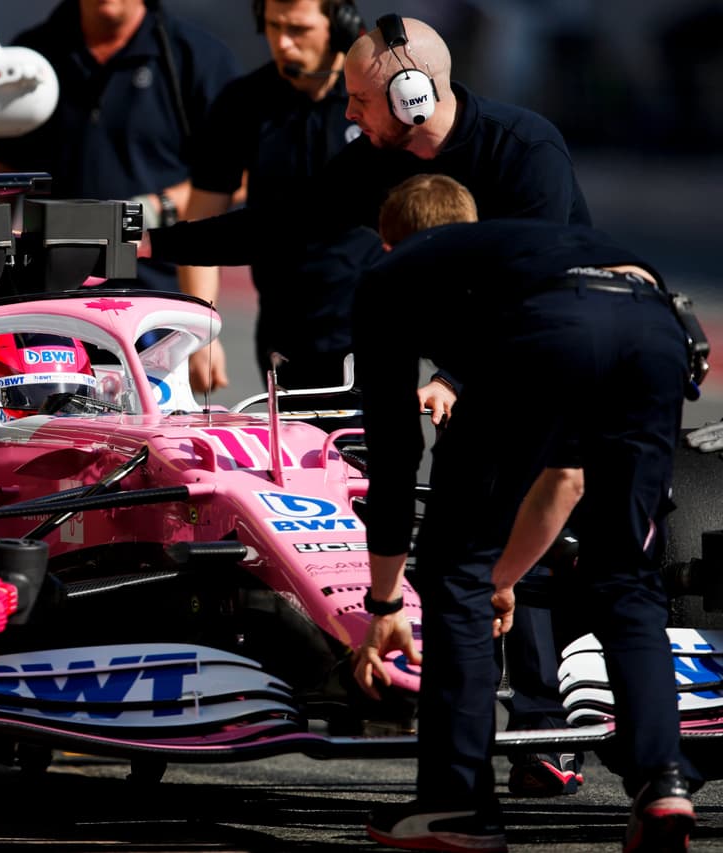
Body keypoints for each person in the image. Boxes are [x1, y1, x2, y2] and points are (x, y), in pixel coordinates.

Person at [150, 14, 588, 792]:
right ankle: (443, 727)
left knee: (511, 525)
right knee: (444, 529)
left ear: (412, 95)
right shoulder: (374, 162)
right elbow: (283, 223)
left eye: (358, 98)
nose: (346, 112)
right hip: (444, 334)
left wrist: (454, 375)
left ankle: (539, 726)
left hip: (551, 345)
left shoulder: (526, 154)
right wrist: (157, 245)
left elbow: (537, 299)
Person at [350, 173, 698, 852]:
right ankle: (662, 781)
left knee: (452, 565)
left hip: (556, 320)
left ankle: (457, 806)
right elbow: (565, 479)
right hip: (658, 323)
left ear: (388, 244)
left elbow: (393, 451)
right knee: (625, 572)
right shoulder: (518, 247)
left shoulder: (389, 276)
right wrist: (505, 577)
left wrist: (387, 600)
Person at [179, 0, 382, 393]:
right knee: (293, 453)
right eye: (273, 26)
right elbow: (201, 223)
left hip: (375, 327)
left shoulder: (379, 98)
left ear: (339, 26)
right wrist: (202, 333)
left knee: (372, 454)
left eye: (299, 30)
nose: (283, 43)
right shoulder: (243, 103)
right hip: (283, 332)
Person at [0, 0, 240, 293]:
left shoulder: (201, 58)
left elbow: (242, 175)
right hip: (50, 296)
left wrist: (157, 208)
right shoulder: (31, 56)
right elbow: (1, 174)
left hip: (159, 294)